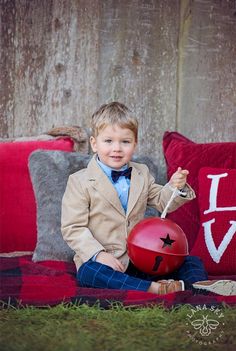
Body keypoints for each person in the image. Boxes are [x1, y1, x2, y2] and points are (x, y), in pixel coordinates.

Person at [61, 102, 236, 296]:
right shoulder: (79, 181)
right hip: (106, 262)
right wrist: (98, 254)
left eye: (125, 142)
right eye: (108, 141)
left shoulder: (141, 173)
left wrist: (174, 186)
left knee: (190, 261)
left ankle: (200, 285)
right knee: (89, 274)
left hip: (143, 259)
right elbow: (73, 228)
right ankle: (154, 288)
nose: (117, 148)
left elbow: (162, 201)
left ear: (134, 144)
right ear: (94, 144)